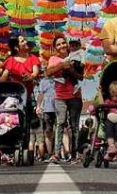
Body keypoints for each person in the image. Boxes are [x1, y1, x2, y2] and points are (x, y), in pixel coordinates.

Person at [46, 35, 83, 163]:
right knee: (60, 123)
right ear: (55, 48)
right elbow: (48, 73)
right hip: (60, 96)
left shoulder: (76, 56)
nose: (62, 46)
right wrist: (62, 65)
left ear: (67, 44)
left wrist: (71, 69)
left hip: (75, 96)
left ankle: (75, 155)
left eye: (63, 43)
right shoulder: (53, 59)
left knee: (74, 126)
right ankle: (56, 154)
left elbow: (81, 76)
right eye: (58, 45)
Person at [35, 68, 56, 162]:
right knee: (48, 132)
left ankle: (58, 153)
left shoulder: (58, 80)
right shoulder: (43, 81)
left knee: (59, 131)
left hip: (58, 108)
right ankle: (50, 154)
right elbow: (41, 94)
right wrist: (38, 106)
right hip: (47, 109)